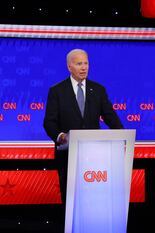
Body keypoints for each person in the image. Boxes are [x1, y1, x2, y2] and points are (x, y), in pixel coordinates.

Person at [43, 48, 123, 229]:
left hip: (95, 157)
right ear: (69, 66)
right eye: (79, 64)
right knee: (71, 198)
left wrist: (121, 135)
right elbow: (49, 122)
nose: (84, 67)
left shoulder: (98, 90)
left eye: (86, 63)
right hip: (68, 155)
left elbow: (110, 116)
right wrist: (60, 136)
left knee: (92, 197)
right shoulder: (57, 91)